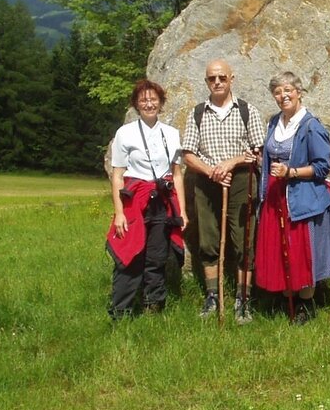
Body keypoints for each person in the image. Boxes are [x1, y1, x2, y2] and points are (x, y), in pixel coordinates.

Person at [183, 59, 265, 323]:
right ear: (206, 82)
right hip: (207, 183)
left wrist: (232, 162)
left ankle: (243, 300)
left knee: (244, 241)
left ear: (232, 78)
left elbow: (257, 151)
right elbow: (188, 155)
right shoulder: (197, 113)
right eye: (211, 78)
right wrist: (212, 172)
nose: (216, 82)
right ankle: (212, 297)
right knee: (207, 240)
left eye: (221, 77)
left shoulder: (247, 111)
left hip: (241, 182)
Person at [255, 71, 330, 324]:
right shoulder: (274, 122)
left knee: (303, 252)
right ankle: (285, 298)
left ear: (299, 92)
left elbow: (323, 167)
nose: (283, 96)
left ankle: (305, 304)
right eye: (278, 92)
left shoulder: (311, 126)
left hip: (302, 199)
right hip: (275, 197)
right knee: (282, 251)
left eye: (288, 90)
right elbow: (271, 156)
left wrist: (291, 172)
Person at [105, 79, 187, 320]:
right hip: (135, 201)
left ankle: (154, 306)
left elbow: (177, 174)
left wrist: (182, 212)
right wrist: (119, 212)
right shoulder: (125, 133)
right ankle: (121, 311)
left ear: (160, 103)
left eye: (153, 99)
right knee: (130, 254)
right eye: (144, 100)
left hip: (161, 201)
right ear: (136, 104)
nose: (149, 104)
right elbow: (118, 175)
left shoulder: (171, 134)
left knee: (157, 255)